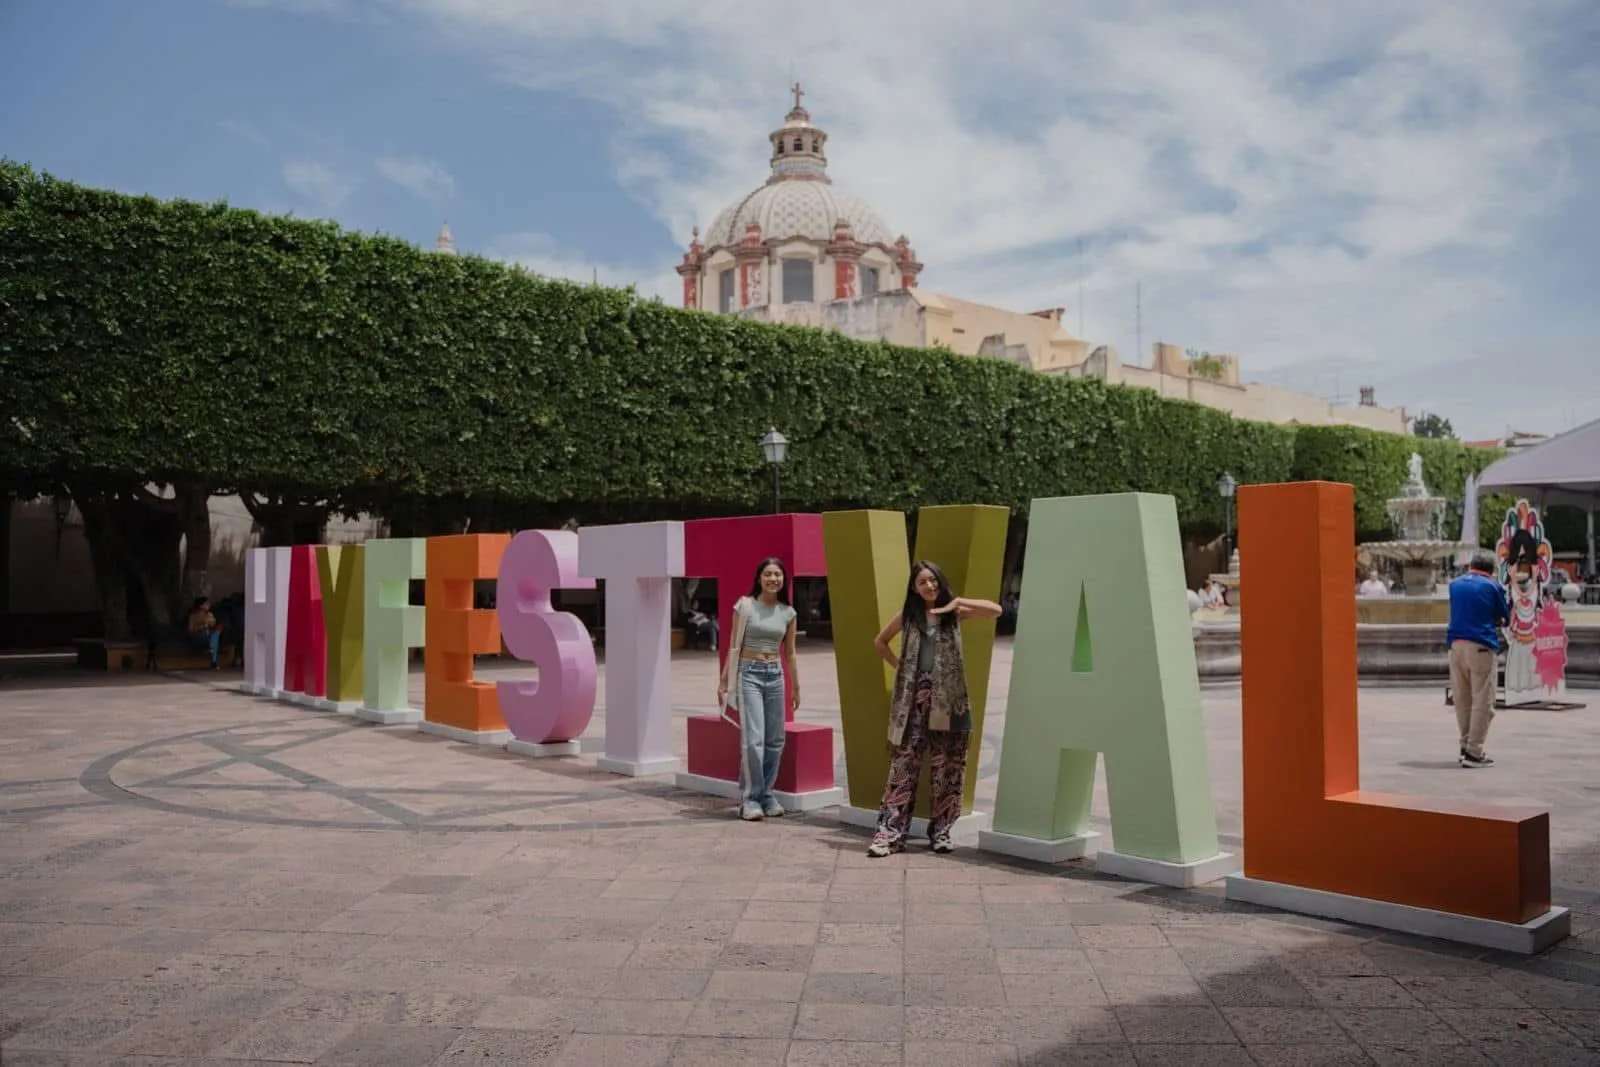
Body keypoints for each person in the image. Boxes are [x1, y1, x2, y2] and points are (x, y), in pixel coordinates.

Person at [866, 561, 1002, 857]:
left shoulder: (953, 614)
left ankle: (941, 832)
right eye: (923, 582)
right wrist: (902, 666)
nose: (929, 586)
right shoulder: (908, 616)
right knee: (903, 768)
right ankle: (889, 834)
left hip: (947, 699)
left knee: (947, 768)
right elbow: (880, 642)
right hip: (912, 701)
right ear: (914, 588)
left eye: (934, 581)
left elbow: (995, 610)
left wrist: (958, 601)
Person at [716, 557, 800, 821]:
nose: (773, 579)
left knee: (775, 739)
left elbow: (791, 653)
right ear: (759, 578)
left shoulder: (788, 612)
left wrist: (796, 687)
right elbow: (733, 644)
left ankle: (766, 793)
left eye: (777, 575)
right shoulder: (745, 606)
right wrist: (723, 680)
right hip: (748, 673)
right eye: (768, 574)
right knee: (753, 739)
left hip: (775, 675)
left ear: (783, 580)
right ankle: (750, 798)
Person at [1446, 551, 1510, 768]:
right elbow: (1504, 617)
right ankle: (1475, 752)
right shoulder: (1493, 586)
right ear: (1491, 570)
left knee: (1462, 700)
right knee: (1483, 700)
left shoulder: (1454, 585)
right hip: (1481, 645)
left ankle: (1465, 745)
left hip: (1455, 646)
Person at [186, 596, 222, 669]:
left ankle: (213, 660)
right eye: (206, 604)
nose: (209, 605)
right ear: (201, 606)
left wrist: (211, 624)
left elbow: (213, 623)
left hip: (209, 637)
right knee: (212, 637)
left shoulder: (210, 615)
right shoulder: (193, 616)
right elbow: (190, 630)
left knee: (216, 634)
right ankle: (212, 652)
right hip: (197, 637)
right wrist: (202, 626)